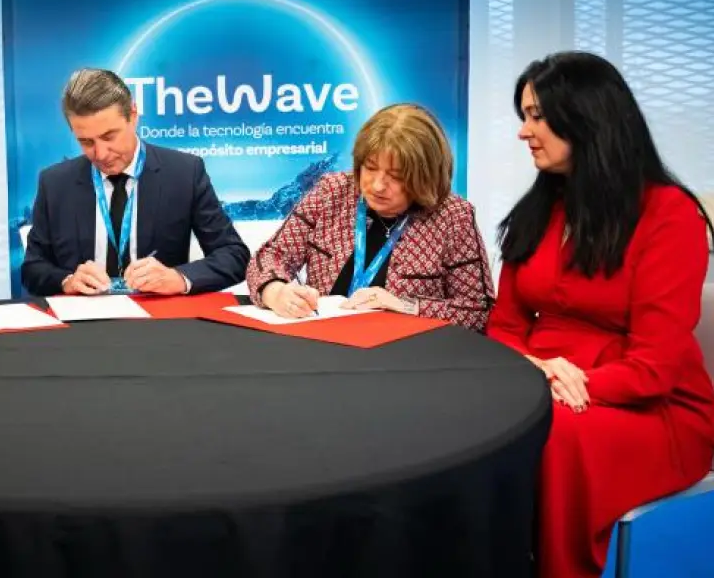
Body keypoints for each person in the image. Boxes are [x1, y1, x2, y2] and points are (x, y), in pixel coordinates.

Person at [486, 51, 714, 578]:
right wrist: (536, 372)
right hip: (541, 380)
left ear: (586, 118)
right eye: (524, 116)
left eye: (537, 116)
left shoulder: (670, 215)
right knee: (475, 416)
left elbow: (655, 367)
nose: (523, 131)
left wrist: (564, 384)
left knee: (553, 433)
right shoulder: (538, 210)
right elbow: (505, 326)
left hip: (652, 406)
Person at [246, 103, 494, 330]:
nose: (377, 185)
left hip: (409, 354)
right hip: (323, 345)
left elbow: (479, 311)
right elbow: (270, 256)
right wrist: (275, 291)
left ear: (425, 176)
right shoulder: (332, 192)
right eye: (370, 168)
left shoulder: (453, 217)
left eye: (396, 176)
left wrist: (407, 306)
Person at [21, 68, 249, 296]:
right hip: (81, 316)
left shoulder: (185, 173)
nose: (101, 154)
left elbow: (233, 255)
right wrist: (67, 281)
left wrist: (178, 278)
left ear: (133, 116)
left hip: (160, 315)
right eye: (86, 142)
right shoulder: (55, 183)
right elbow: (32, 269)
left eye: (109, 137)